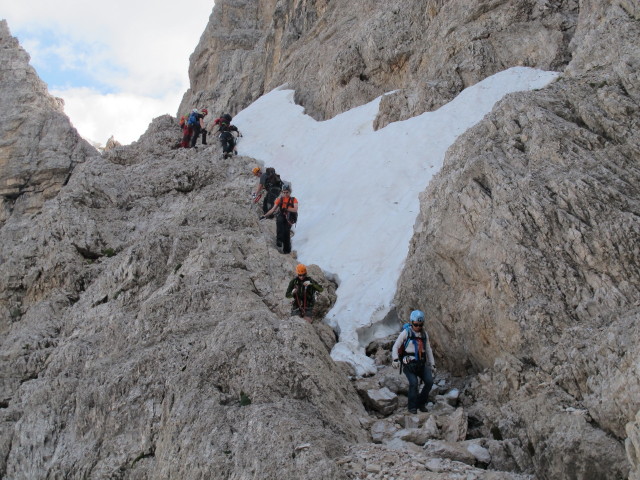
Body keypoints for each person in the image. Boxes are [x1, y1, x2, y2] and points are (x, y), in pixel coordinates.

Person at [391, 310, 436, 414]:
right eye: (416, 325)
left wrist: (432, 364)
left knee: (429, 382)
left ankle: (420, 403)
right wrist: (395, 359)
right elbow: (396, 346)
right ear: (412, 323)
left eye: (421, 325)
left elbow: (428, 349)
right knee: (414, 383)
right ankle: (412, 408)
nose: (418, 327)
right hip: (409, 364)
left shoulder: (424, 334)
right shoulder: (406, 333)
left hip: (421, 363)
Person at [261, 184, 297, 254]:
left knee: (286, 232)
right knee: (279, 221)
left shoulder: (293, 200)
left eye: (287, 192)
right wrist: (265, 216)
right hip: (282, 215)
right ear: (282, 192)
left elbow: (295, 209)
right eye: (284, 192)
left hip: (289, 218)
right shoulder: (280, 200)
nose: (285, 194)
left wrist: (286, 209)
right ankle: (279, 240)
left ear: (289, 192)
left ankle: (287, 250)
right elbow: (273, 209)